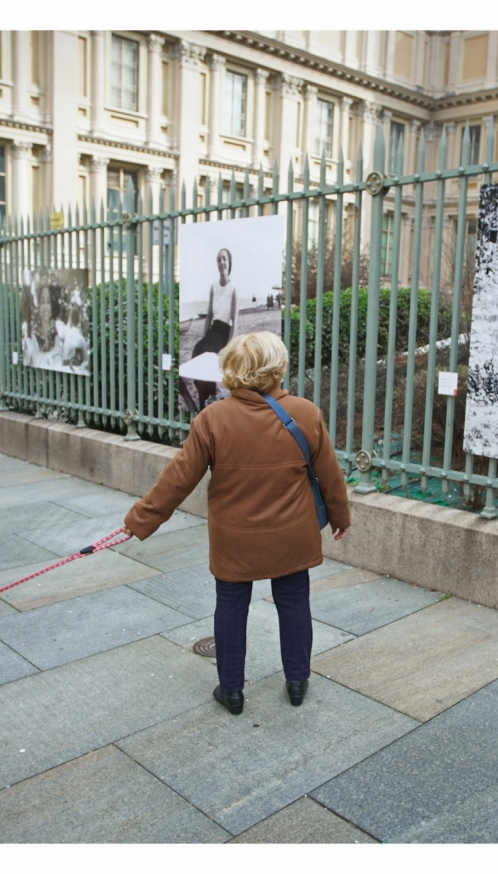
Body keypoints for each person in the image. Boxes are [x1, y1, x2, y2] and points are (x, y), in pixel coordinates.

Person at [123, 331, 350, 715]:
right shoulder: (306, 413)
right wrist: (340, 517)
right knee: (294, 602)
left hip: (234, 539)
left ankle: (231, 691)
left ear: (232, 370)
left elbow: (179, 477)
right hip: (291, 535)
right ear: (277, 368)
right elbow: (330, 475)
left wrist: (140, 520)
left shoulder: (212, 419)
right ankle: (297, 682)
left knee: (230, 606)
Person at [189, 248, 239, 408]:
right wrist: (203, 336)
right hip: (213, 330)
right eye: (219, 260)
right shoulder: (213, 287)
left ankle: (208, 392)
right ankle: (205, 393)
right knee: (198, 349)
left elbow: (235, 322)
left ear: (229, 263)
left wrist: (229, 347)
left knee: (206, 351)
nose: (221, 263)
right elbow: (209, 315)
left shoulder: (234, 289)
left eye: (224, 259)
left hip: (224, 332)